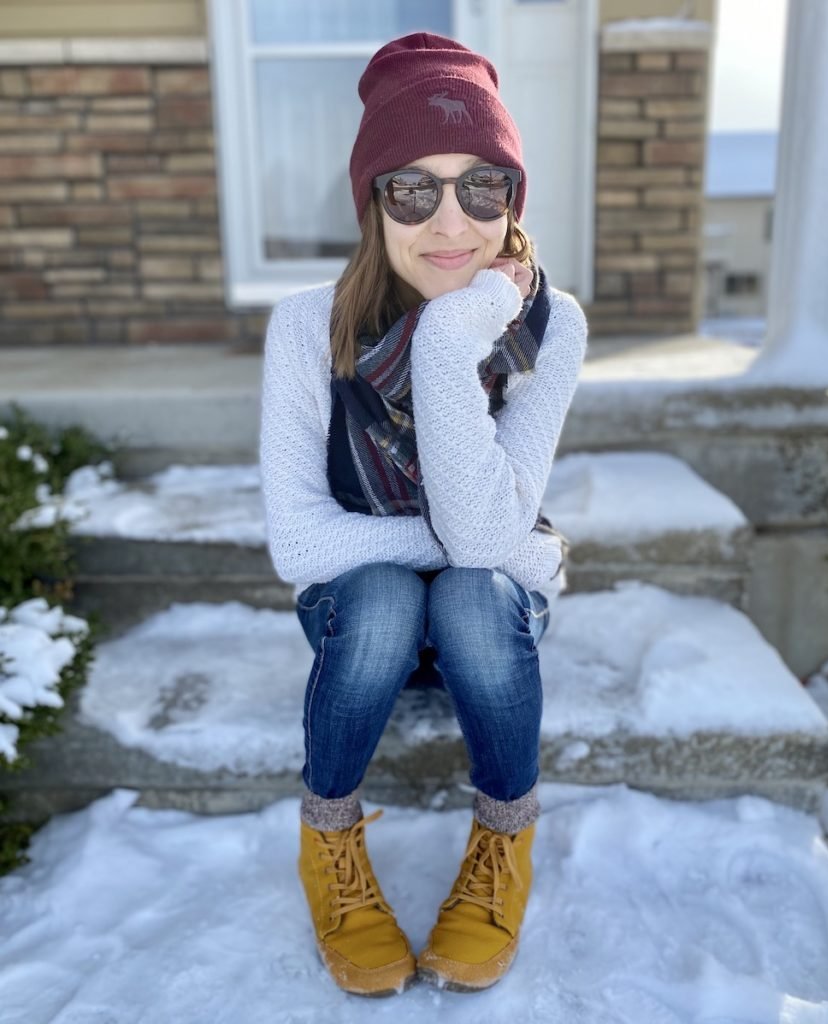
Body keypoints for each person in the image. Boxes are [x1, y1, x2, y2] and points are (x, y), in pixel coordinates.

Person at [259, 31, 588, 997]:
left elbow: (488, 551)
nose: (453, 220)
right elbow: (301, 542)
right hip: (361, 621)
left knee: (479, 594)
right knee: (390, 593)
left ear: (512, 198)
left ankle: (502, 844)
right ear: (374, 203)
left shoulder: (548, 324)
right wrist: (516, 546)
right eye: (414, 189)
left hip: (486, 623)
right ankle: (329, 843)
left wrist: (450, 335)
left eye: (482, 187)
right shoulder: (306, 326)